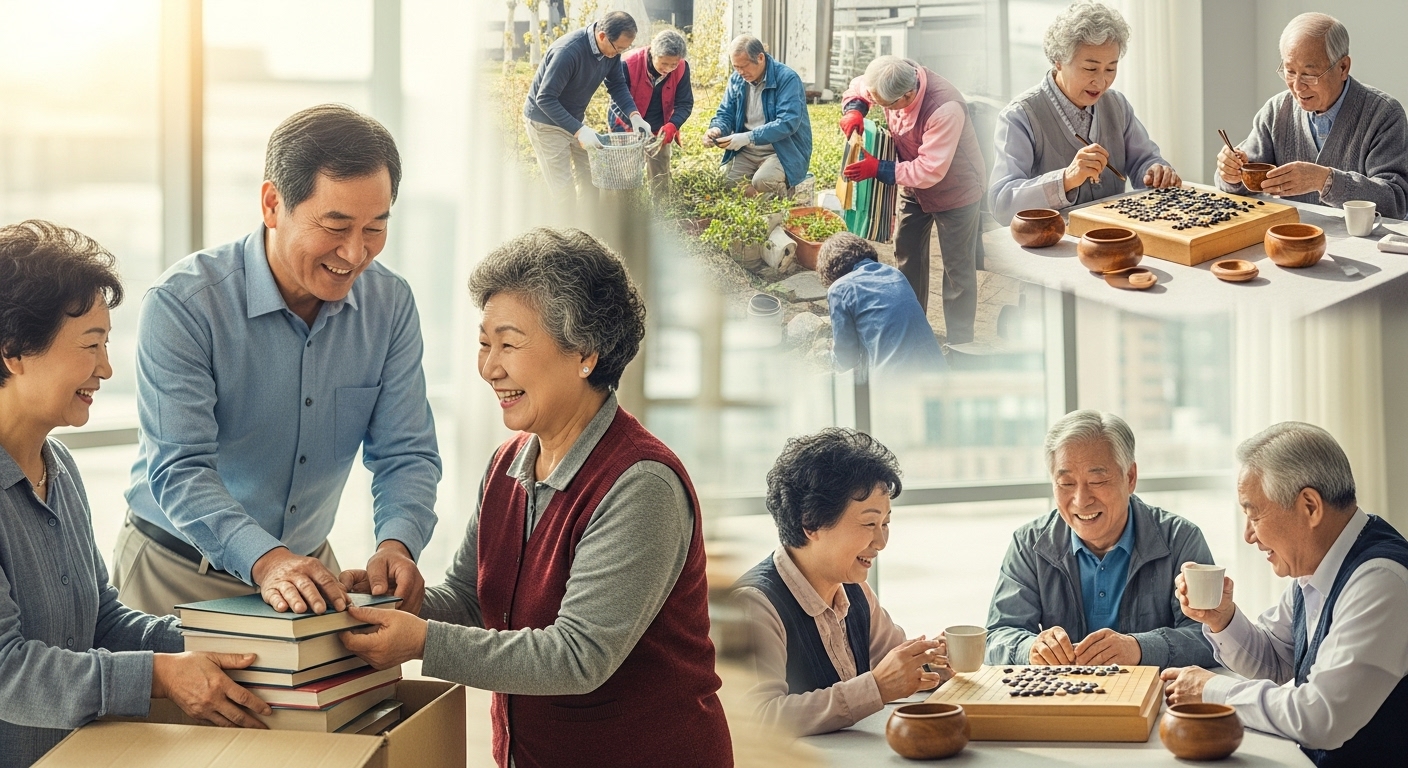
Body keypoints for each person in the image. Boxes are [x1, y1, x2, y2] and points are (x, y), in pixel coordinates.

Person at [336, 228, 732, 767]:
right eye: (483, 343)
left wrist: (420, 641)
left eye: (509, 343)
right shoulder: (507, 464)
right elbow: (474, 601)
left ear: (585, 353)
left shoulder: (641, 483)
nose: (489, 367)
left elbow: (577, 655)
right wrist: (398, 604)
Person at [115, 105, 442, 618]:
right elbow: (180, 468)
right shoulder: (184, 304)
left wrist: (397, 544)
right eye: (335, 225)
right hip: (174, 574)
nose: (356, 253)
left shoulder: (390, 304)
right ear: (272, 204)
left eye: (375, 228)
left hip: (306, 574)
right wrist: (267, 561)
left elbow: (406, 453)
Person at [0, 221, 273, 768]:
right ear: (15, 352)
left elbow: (100, 620)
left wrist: (217, 640)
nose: (105, 368)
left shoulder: (61, 470)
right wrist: (161, 677)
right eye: (90, 345)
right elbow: (10, 674)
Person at [1163, 423, 1408, 767]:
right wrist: (1221, 618)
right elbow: (1275, 660)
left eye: (1254, 513)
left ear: (1309, 506)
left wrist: (1211, 689)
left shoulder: (1381, 580)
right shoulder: (1318, 566)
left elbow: (1320, 717)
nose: (1249, 535)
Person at [732, 429, 950, 736]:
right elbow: (757, 718)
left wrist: (933, 662)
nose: (881, 541)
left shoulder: (854, 588)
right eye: (869, 523)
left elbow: (895, 663)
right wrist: (874, 688)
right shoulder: (754, 603)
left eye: (886, 523)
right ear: (812, 523)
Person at [986, 410, 1217, 670]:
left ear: (1130, 478)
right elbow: (997, 635)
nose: (1081, 500)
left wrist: (1139, 648)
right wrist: (1032, 649)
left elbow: (1210, 637)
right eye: (1065, 483)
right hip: (1063, 699)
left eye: (1097, 480)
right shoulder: (1029, 544)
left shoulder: (1180, 539)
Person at [990, 0, 1181, 226]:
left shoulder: (1117, 105)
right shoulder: (1020, 116)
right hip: (1051, 244)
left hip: (1115, 237)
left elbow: (1144, 161)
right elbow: (1001, 204)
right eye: (1090, 68)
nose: (1101, 81)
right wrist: (1066, 179)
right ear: (1058, 60)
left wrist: (1156, 172)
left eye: (1111, 68)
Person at [838, 56, 986, 339]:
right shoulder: (890, 77)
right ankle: (912, 333)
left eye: (887, 105)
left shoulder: (944, 108)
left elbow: (930, 169)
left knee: (957, 270)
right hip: (913, 184)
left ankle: (960, 344)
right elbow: (860, 86)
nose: (883, 109)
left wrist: (879, 168)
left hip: (957, 190)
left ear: (908, 95)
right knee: (907, 253)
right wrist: (855, 109)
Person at [1215, 13, 1408, 219]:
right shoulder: (1276, 110)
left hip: (1362, 247)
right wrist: (1231, 174)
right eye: (1289, 72)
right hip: (1292, 239)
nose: (1297, 87)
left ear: (1343, 67)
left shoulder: (1384, 114)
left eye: (1309, 74)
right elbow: (1243, 184)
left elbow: (1396, 202)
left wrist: (1325, 180)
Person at [524, 11, 651, 200]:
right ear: (602, 36)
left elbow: (617, 84)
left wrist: (635, 116)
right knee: (563, 188)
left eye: (624, 49)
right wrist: (579, 130)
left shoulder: (612, 50)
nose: (619, 53)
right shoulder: (568, 52)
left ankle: (587, 226)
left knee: (592, 177)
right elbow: (545, 98)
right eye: (618, 48)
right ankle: (565, 228)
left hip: (573, 118)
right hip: (545, 122)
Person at [817, 233, 945, 377]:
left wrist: (826, 357)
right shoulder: (895, 273)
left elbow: (846, 359)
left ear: (830, 274)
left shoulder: (839, 288)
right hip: (938, 374)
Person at [705, 35, 812, 198]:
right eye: (736, 67)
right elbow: (726, 113)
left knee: (764, 180)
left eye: (744, 66)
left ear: (760, 57)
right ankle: (760, 202)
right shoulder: (736, 80)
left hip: (781, 150)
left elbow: (787, 122)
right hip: (748, 150)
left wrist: (749, 137)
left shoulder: (787, 78)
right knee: (726, 181)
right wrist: (716, 129)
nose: (740, 72)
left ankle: (785, 200)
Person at [608, 29, 694, 196]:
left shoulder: (682, 67)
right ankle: (626, 211)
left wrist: (673, 124)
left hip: (659, 126)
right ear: (652, 54)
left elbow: (685, 103)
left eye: (673, 64)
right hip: (626, 124)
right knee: (626, 175)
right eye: (664, 63)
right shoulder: (628, 63)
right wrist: (636, 124)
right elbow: (617, 101)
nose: (668, 69)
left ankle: (660, 213)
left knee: (660, 175)